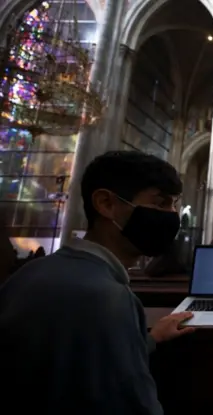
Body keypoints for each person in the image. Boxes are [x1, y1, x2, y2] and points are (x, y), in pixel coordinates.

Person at [0, 151, 196, 414]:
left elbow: (63, 359)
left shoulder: (30, 274)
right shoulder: (108, 298)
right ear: (105, 203)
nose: (172, 216)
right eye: (160, 203)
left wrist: (146, 340)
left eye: (173, 204)